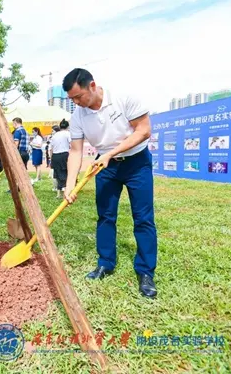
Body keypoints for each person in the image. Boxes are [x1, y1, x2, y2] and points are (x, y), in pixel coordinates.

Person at [62, 68, 158, 299]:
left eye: (79, 96)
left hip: (137, 162)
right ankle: (106, 263)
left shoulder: (123, 98)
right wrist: (69, 184)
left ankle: (146, 272)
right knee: (105, 216)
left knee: (143, 218)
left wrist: (110, 153)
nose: (76, 103)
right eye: (72, 99)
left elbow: (144, 131)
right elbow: (75, 151)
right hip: (105, 166)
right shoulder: (78, 116)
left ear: (92, 86)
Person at [50, 121, 71, 198]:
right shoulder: (68, 133)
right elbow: (72, 144)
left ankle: (59, 194)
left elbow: (51, 149)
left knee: (57, 174)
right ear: (68, 127)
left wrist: (51, 158)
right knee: (65, 173)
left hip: (55, 156)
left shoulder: (55, 135)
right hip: (64, 155)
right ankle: (66, 192)